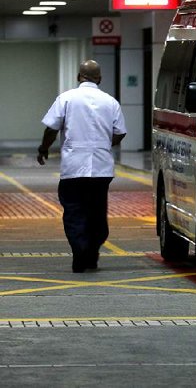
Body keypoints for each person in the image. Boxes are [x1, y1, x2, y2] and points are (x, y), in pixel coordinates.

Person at [37, 59, 127, 273]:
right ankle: (92, 252)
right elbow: (120, 132)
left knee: (74, 211)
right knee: (97, 212)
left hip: (73, 168)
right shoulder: (110, 101)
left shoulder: (66, 98)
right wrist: (104, 143)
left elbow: (51, 128)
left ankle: (80, 252)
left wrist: (44, 148)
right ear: (100, 79)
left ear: (79, 77)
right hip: (101, 168)